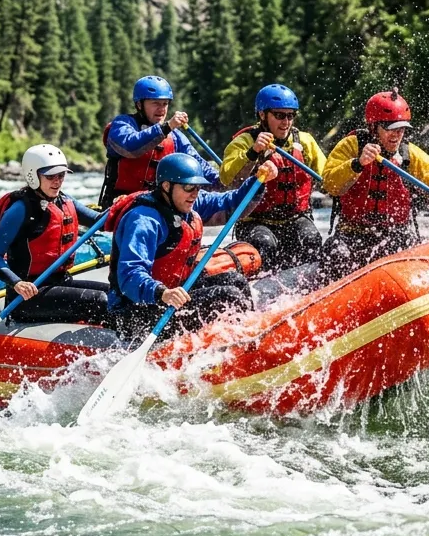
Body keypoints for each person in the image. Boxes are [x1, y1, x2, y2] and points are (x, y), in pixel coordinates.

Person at [319, 89, 429, 282]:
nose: (397, 135)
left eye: (401, 129)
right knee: (335, 255)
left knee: (411, 258)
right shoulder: (351, 146)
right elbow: (329, 184)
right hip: (353, 234)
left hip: (396, 235)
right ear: (374, 127)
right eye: (390, 128)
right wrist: (357, 164)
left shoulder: (412, 157)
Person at [106, 153, 279, 340]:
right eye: (189, 187)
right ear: (166, 186)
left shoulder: (187, 202)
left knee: (235, 280)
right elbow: (130, 275)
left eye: (198, 187)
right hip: (139, 310)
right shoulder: (143, 221)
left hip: (174, 293)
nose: (195, 194)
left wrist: (258, 182)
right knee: (228, 295)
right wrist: (162, 292)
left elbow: (231, 203)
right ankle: (239, 345)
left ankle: (246, 337)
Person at [0, 144, 109, 325]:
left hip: (60, 284)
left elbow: (101, 221)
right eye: (50, 176)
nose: (57, 181)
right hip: (27, 296)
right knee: (99, 300)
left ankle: (128, 340)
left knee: (115, 293)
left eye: (61, 175)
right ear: (32, 176)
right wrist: (18, 283)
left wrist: (127, 204)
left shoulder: (64, 200)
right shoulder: (20, 209)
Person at [221, 84, 327, 271]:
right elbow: (228, 180)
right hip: (255, 221)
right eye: (279, 115)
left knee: (311, 239)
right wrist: (253, 153)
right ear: (262, 115)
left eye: (290, 115)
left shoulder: (304, 141)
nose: (286, 122)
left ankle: (312, 287)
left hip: (295, 218)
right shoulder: (244, 141)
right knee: (265, 244)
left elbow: (327, 177)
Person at [100, 75, 220, 206]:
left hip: (159, 207)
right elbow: (130, 148)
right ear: (139, 104)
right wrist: (166, 127)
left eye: (165, 104)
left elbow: (198, 165)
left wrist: (222, 181)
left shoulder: (175, 137)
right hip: (120, 205)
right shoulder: (123, 124)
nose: (162, 109)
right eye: (155, 103)